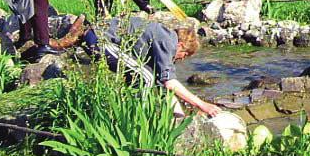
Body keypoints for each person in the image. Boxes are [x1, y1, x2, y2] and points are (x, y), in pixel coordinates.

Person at [81, 16, 221, 117]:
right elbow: (170, 83)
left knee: (147, 76)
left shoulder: (163, 41)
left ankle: (127, 112)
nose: (180, 59)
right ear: (181, 45)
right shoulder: (169, 42)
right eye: (183, 55)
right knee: (145, 77)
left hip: (95, 36)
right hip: (99, 39)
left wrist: (179, 118)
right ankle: (137, 119)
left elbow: (164, 88)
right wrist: (203, 105)